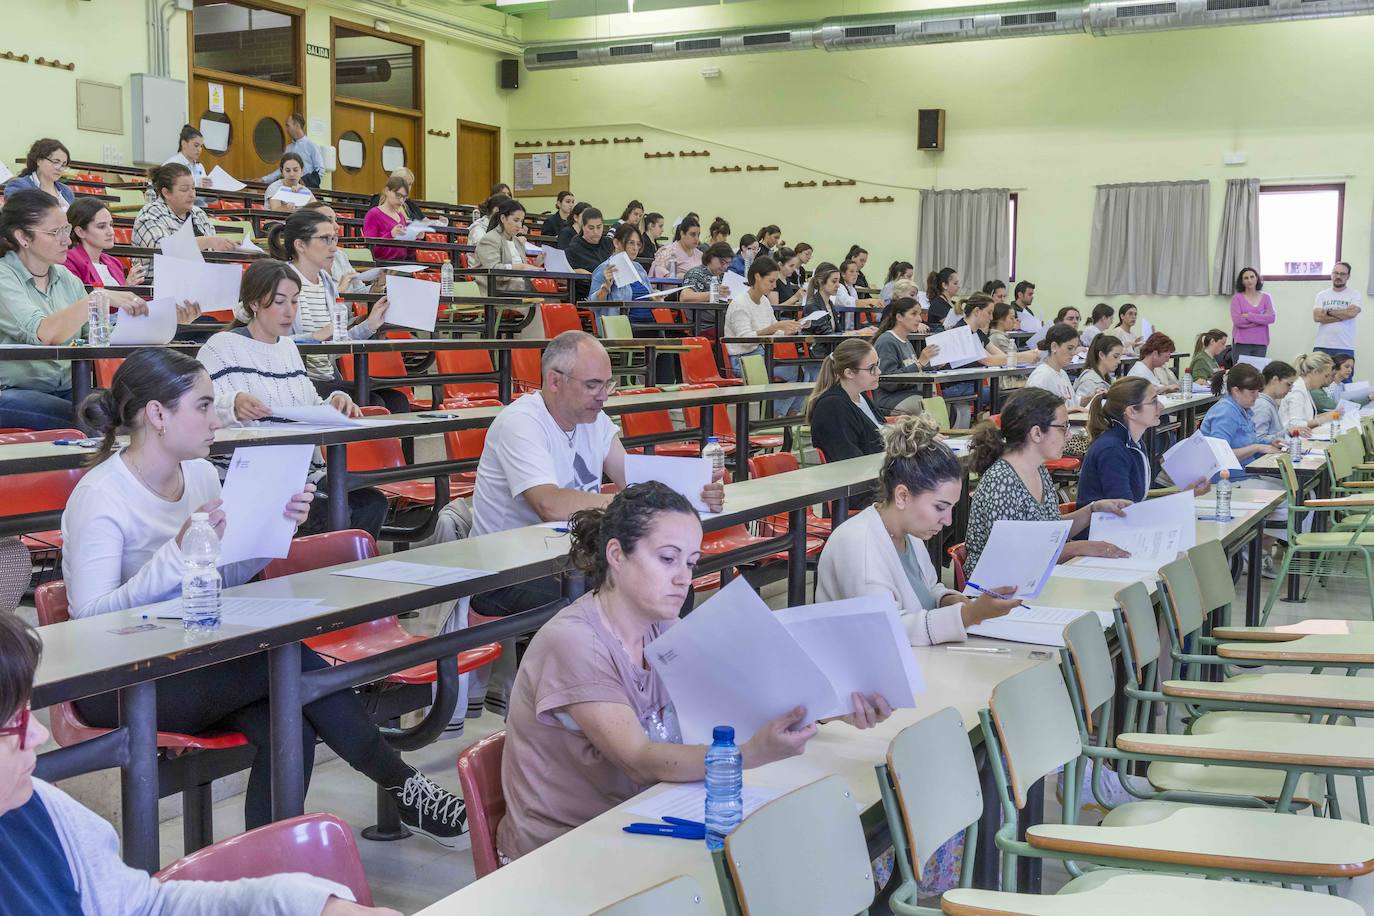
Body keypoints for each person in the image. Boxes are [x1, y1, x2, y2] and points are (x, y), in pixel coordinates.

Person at [62, 347, 468, 843]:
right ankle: (403, 784)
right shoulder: (101, 493)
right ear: (158, 415)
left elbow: (222, 580)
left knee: (289, 722)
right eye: (205, 406)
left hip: (192, 654)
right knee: (286, 661)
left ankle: (269, 863)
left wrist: (268, 536)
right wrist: (174, 556)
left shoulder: (203, 475)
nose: (218, 419)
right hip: (120, 678)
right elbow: (88, 625)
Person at [496, 481, 889, 859]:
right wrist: (747, 755)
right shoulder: (577, 643)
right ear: (616, 555)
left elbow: (743, 690)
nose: (684, 578)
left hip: (639, 820)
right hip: (563, 852)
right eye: (667, 559)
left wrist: (830, 705)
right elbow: (638, 757)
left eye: (691, 562)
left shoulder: (660, 625)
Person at [0, 612, 399, 915]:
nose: (36, 734)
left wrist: (313, 906)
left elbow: (145, 908)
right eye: (13, 724)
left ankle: (399, 783)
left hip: (188, 661)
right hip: (132, 677)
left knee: (285, 699)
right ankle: (401, 783)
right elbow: (94, 615)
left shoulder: (45, 810)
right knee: (284, 672)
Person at [466, 332, 724, 715]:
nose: (603, 395)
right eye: (592, 385)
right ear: (554, 380)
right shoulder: (520, 423)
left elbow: (629, 480)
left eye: (608, 384)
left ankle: (659, 702)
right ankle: (602, 711)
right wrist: (631, 504)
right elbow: (550, 504)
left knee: (661, 584)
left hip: (569, 560)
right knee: (611, 601)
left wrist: (690, 496)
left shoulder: (595, 419)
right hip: (508, 572)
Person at [196, 260, 388, 537]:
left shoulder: (287, 347)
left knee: (370, 503)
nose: (289, 312)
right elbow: (201, 412)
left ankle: (336, 573)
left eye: (295, 302)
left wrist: (334, 402)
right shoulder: (220, 347)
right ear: (253, 304)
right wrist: (233, 405)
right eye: (280, 302)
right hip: (247, 474)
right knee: (338, 511)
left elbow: (306, 403)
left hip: (298, 472)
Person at [0, 190, 148, 429]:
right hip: (14, 392)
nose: (66, 241)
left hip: (72, 387)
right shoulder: (4, 277)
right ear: (22, 237)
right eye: (54, 233)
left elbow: (98, 334)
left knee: (135, 412)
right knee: (94, 420)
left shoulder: (66, 278)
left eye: (66, 230)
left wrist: (157, 321)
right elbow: (43, 333)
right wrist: (97, 298)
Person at [964, 387, 1131, 571]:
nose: (1069, 435)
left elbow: (1051, 530)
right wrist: (1081, 547)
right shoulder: (1002, 482)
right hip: (996, 589)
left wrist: (1094, 509)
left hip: (1031, 577)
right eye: (1063, 428)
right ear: (1036, 433)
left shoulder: (1039, 469)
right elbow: (1017, 556)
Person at [266, 210, 400, 411]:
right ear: (300, 245)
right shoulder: (280, 281)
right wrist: (313, 336)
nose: (333, 248)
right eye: (325, 240)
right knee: (372, 404)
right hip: (293, 380)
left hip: (326, 378)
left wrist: (370, 324)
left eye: (334, 239)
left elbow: (336, 344)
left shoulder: (327, 282)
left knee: (396, 401)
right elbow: (266, 345)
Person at [1200, 363, 1288, 574]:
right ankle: (1253, 551)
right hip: (1222, 480)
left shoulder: (1242, 409)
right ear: (1235, 391)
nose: (1256, 396)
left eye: (1258, 391)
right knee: (1283, 497)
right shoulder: (1226, 412)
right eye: (1252, 391)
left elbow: (1249, 439)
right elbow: (1220, 453)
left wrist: (1268, 442)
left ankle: (1258, 548)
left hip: (1241, 474)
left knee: (1288, 490)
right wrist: (1257, 447)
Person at [723, 256, 803, 414]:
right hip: (743, 359)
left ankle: (786, 416)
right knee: (795, 373)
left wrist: (790, 329)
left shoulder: (765, 302)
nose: (774, 286)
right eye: (771, 281)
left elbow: (775, 331)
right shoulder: (740, 303)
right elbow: (745, 340)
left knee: (802, 372)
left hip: (762, 354)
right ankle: (775, 416)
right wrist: (775, 327)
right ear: (757, 277)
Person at [1077, 377, 1161, 506]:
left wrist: (1187, 492)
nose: (1161, 406)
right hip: (1103, 525)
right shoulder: (1112, 450)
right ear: (1132, 411)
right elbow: (1123, 509)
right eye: (1154, 401)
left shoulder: (1133, 442)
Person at [131, 163, 234, 264]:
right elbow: (164, 250)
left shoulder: (199, 213)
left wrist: (227, 246)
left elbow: (214, 253)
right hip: (159, 279)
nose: (192, 195)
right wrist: (208, 241)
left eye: (193, 188)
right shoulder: (150, 213)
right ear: (166, 193)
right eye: (184, 189)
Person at [805, 338, 887, 462]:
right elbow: (849, 459)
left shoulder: (861, 396)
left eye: (877, 365)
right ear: (849, 373)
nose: (878, 372)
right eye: (871, 368)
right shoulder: (832, 407)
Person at [799, 261, 879, 361]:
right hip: (820, 355)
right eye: (834, 281)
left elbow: (837, 332)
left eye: (838, 281)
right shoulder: (813, 305)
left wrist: (862, 331)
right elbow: (827, 335)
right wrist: (858, 332)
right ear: (820, 282)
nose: (838, 285)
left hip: (831, 351)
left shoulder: (829, 303)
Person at [873, 298, 939, 416]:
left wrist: (932, 363)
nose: (919, 319)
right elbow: (888, 381)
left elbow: (913, 371)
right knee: (929, 410)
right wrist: (919, 363)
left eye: (919, 314)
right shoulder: (886, 341)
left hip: (910, 394)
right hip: (890, 398)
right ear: (899, 317)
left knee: (940, 405)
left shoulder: (906, 341)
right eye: (914, 314)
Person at [64, 197, 146, 288]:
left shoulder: (114, 262)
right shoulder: (69, 261)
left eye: (110, 225)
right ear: (80, 232)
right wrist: (126, 287)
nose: (111, 232)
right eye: (101, 226)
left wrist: (128, 287)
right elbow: (81, 299)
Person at [475, 196, 540, 297]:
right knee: (536, 293)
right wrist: (521, 267)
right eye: (516, 220)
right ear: (503, 218)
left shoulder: (518, 242)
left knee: (547, 288)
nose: (519, 225)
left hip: (518, 286)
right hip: (497, 290)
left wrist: (536, 265)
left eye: (521, 221)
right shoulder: (489, 239)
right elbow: (494, 270)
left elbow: (524, 270)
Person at [301, 201, 368, 293]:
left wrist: (379, 285)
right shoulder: (302, 262)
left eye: (335, 220)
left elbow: (359, 291)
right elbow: (315, 304)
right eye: (329, 220)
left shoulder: (340, 256)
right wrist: (339, 291)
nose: (337, 227)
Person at [588, 222, 651, 321]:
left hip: (649, 325)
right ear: (616, 243)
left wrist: (656, 297)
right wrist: (605, 288)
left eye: (638, 244)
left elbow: (650, 295)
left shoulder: (639, 268)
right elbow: (592, 306)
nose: (635, 248)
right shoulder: (605, 268)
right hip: (622, 327)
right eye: (631, 243)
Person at [1026, 323, 1085, 411]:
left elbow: (1073, 402)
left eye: (1075, 348)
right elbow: (1035, 412)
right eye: (1069, 348)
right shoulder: (1041, 376)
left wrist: (1093, 397)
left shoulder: (1062, 373)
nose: (1073, 353)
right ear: (1054, 347)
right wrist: (1067, 411)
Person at [3, 139, 75, 209]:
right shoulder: (19, 186)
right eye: (55, 162)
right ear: (39, 161)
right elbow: (15, 214)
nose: (60, 168)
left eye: (63, 165)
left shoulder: (66, 191)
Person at [259, 112, 326, 187]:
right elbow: (281, 170)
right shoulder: (288, 149)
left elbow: (320, 169)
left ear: (296, 125)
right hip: (289, 190)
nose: (286, 129)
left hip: (307, 191)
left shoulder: (311, 146)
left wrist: (305, 181)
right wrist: (264, 179)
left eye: (288, 126)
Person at [1313, 261, 1360, 364]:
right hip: (1321, 346)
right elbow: (1317, 317)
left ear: (1348, 276)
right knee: (1317, 379)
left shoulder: (1354, 294)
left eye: (1342, 274)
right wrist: (1344, 314)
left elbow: (1352, 313)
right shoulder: (1322, 295)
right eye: (1335, 273)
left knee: (1345, 379)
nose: (1338, 276)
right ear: (1332, 274)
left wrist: (1328, 312)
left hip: (1344, 346)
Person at [1279, 351, 1338, 433]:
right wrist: (1324, 419)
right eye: (1326, 376)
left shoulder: (1305, 388)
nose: (1326, 380)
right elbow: (1295, 424)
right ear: (1315, 372)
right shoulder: (1297, 390)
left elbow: (1307, 418)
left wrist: (1329, 415)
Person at [362, 176, 413, 262]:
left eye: (404, 197)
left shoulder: (401, 216)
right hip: (381, 264)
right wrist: (391, 235)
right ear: (386, 191)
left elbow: (407, 252)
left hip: (401, 264)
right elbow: (370, 249)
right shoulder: (374, 214)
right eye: (398, 195)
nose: (401, 200)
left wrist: (415, 238)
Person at [1230, 267, 1274, 358]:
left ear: (1257, 278)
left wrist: (1249, 316)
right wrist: (1261, 319)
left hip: (1261, 342)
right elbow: (1237, 321)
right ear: (1242, 281)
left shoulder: (1266, 297)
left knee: (1257, 371)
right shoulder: (1236, 298)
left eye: (1252, 277)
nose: (1249, 280)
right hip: (1241, 343)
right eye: (1246, 278)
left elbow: (1271, 318)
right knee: (1241, 372)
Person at [1072, 333, 1123, 407]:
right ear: (1101, 355)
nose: (1119, 361)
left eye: (1120, 357)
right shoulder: (1090, 382)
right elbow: (1079, 409)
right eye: (1115, 356)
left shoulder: (1105, 378)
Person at [1253, 359, 1298, 443]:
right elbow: (1257, 439)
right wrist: (1286, 433)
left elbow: (1272, 433)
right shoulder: (1262, 405)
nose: (1290, 390)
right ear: (1275, 380)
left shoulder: (1270, 403)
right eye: (1288, 384)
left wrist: (1288, 432)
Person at [564, 206, 613, 272]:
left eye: (599, 227)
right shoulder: (574, 249)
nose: (595, 232)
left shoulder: (609, 243)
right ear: (583, 227)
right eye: (591, 228)